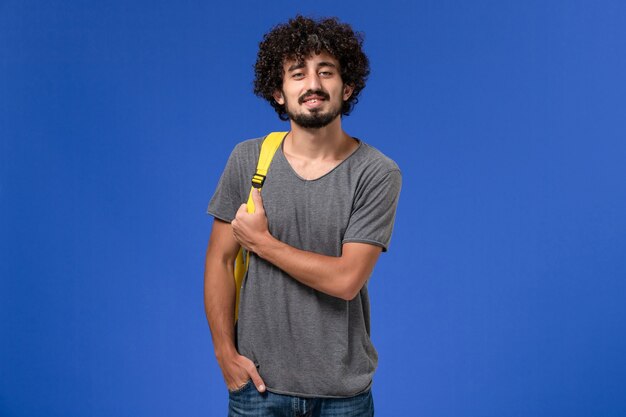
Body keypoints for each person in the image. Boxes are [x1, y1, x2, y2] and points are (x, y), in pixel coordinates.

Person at [204, 15, 402, 416]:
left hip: (342, 397)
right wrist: (225, 353)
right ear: (279, 92)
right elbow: (220, 260)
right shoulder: (249, 159)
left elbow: (346, 280)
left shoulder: (377, 173)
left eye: (325, 72)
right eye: (298, 74)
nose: (312, 84)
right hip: (257, 391)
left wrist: (261, 243)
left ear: (346, 88)